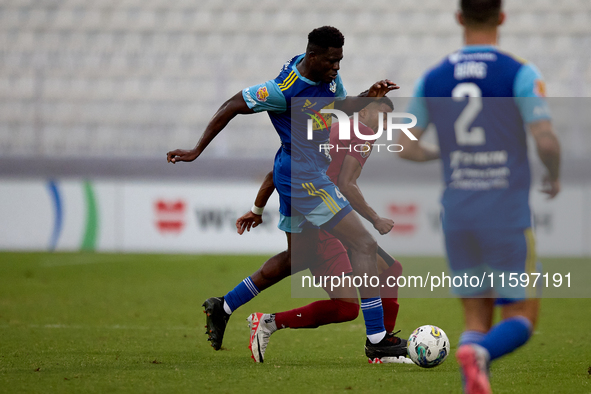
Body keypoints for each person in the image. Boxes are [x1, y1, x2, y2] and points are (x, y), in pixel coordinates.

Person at [167, 26, 402, 360]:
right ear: (313, 56)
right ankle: (378, 340)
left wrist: (368, 95)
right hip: (305, 179)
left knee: (298, 258)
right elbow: (232, 104)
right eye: (331, 61)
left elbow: (342, 105)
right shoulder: (282, 90)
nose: (336, 68)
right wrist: (195, 150)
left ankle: (224, 305)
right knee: (364, 243)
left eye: (340, 61)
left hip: (295, 172)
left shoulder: (329, 79)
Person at [398, 1, 561, 393]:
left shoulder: (434, 76)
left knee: (475, 320)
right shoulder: (518, 72)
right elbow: (545, 139)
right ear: (502, 17)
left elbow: (403, 145)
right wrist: (553, 175)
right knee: (522, 316)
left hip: (457, 213)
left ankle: (475, 371)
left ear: (459, 18)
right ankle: (480, 355)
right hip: (504, 212)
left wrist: (448, 153)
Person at [236, 98, 411, 363]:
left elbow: (279, 169)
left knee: (388, 271)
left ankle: (380, 347)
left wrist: (258, 208)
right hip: (326, 221)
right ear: (363, 112)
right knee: (346, 307)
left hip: (321, 215)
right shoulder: (364, 133)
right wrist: (375, 219)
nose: (386, 123)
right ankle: (268, 322)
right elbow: (346, 183)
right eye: (383, 114)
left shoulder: (332, 127)